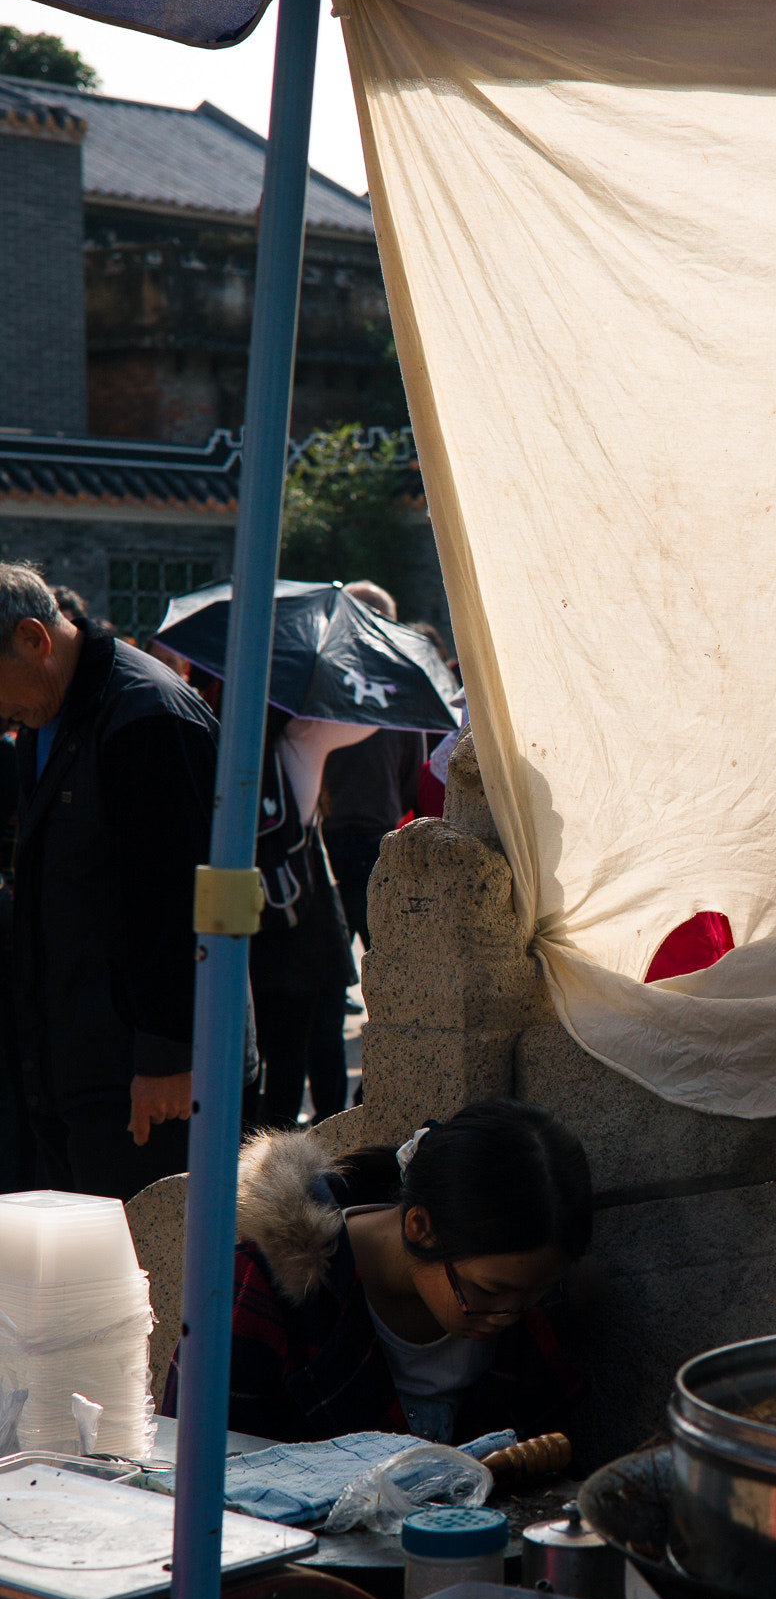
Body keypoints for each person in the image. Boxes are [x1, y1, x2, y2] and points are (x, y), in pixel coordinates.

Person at [163, 1099, 590, 1443]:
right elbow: (200, 1468)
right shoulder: (261, 1288)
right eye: (490, 1291)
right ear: (420, 1227)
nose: (507, 1315)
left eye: (530, 1298)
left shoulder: (526, 1298)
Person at [0, 564, 217, 1198]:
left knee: (144, 1274)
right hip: (73, 1056)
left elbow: (176, 903)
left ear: (35, 640)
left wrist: (167, 1057)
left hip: (143, 1076)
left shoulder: (146, 714)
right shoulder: (47, 715)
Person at [251, 707, 373, 1128]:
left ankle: (240, 1148)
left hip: (240, 921)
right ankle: (285, 1149)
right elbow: (368, 717)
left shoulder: (219, 736)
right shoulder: (301, 739)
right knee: (296, 1049)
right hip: (298, 925)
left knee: (250, 1054)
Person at [320, 579, 426, 949]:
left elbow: (413, 776)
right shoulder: (322, 678)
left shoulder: (403, 686)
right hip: (321, 841)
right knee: (326, 972)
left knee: (388, 960)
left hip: (378, 843)